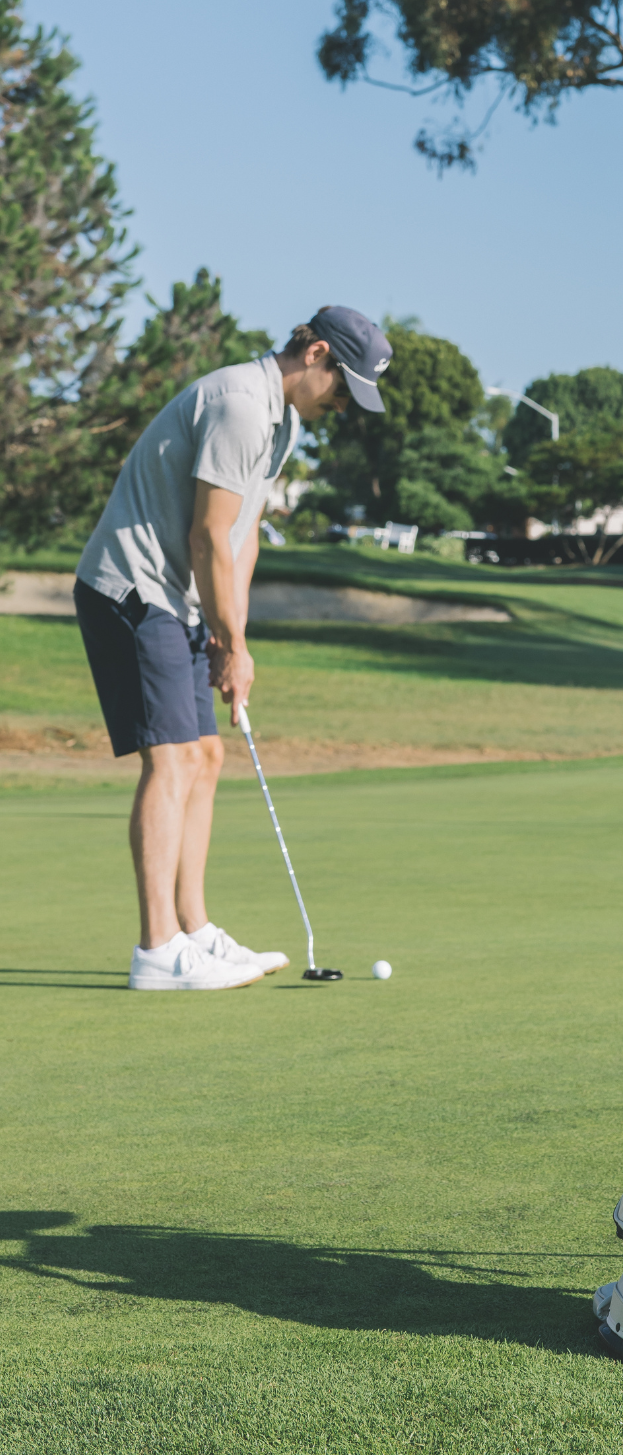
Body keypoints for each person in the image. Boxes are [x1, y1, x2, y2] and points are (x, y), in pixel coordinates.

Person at [73, 307, 393, 990]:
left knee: (208, 754)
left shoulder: (284, 422)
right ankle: (157, 950)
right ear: (314, 353)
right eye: (343, 384)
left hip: (177, 597)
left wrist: (232, 639)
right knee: (172, 759)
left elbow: (242, 538)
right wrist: (232, 642)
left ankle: (195, 929)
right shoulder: (241, 404)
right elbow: (206, 538)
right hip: (132, 587)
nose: (342, 402)